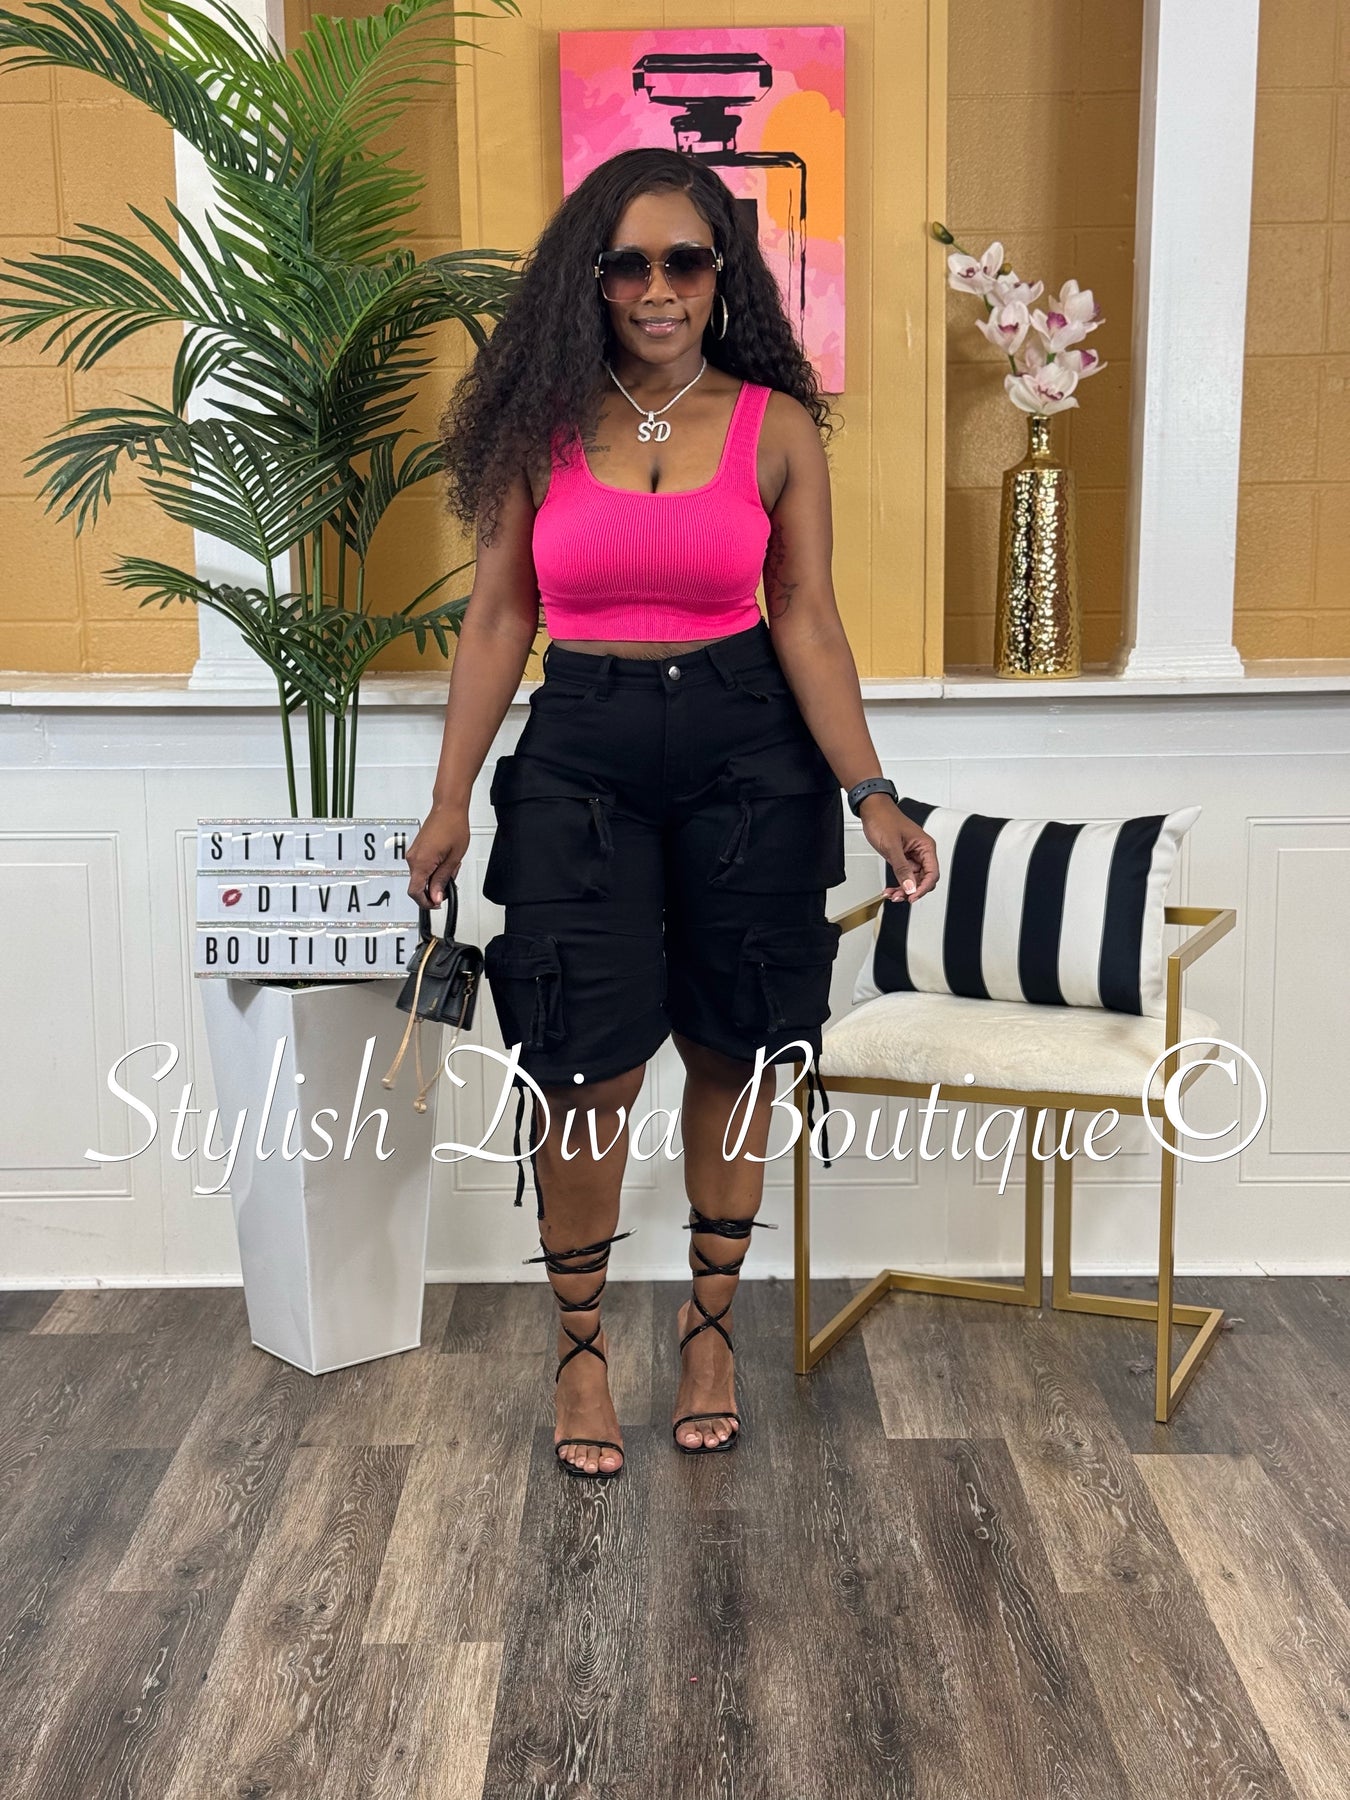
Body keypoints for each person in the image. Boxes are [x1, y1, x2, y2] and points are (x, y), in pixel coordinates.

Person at [406, 146, 939, 1483]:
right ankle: (581, 1346)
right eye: (630, 263)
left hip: (749, 751)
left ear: (721, 276)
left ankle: (708, 1331)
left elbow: (805, 620)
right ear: (588, 280)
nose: (659, 287)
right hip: (579, 751)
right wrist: (448, 801)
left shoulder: (776, 425)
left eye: (685, 261)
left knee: (736, 1046)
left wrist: (871, 793)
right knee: (583, 1064)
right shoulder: (540, 427)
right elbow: (498, 620)